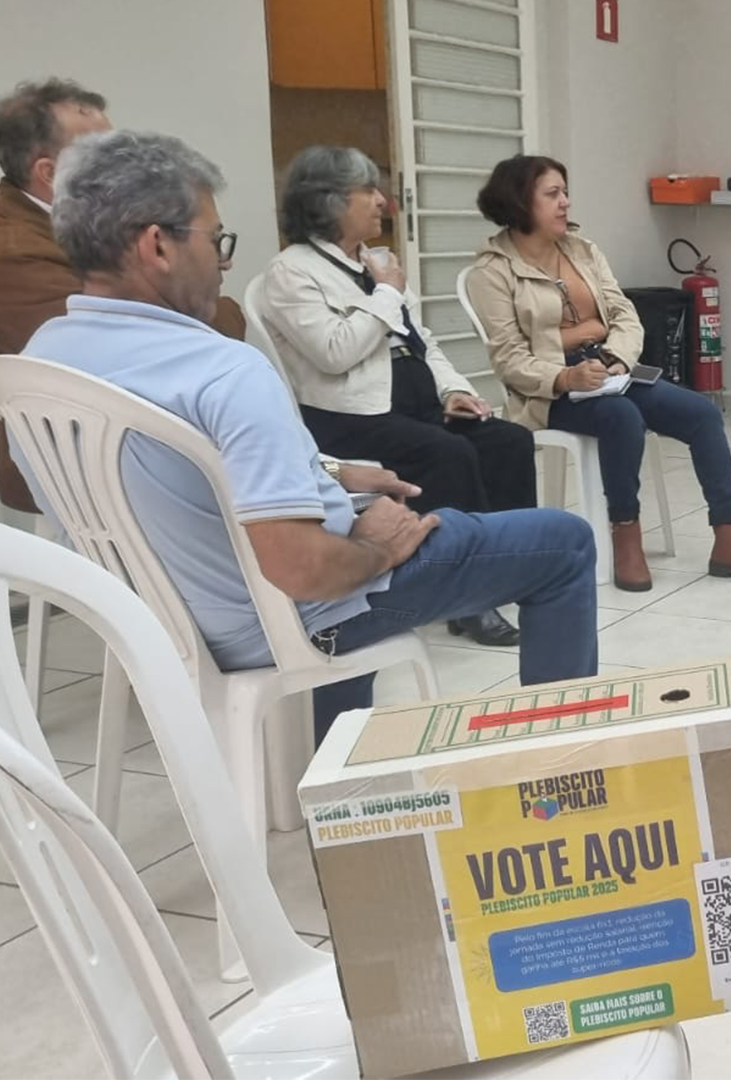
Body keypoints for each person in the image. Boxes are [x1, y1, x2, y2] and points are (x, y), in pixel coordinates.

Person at [9, 130, 599, 740]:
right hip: (285, 618)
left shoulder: (40, 360)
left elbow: (191, 468)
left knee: (412, 488)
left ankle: (334, 778)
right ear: (158, 245)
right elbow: (304, 569)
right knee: (563, 542)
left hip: (168, 624)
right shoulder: (223, 369)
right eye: (216, 240)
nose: (226, 260)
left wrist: (335, 474)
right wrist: (376, 548)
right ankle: (559, 762)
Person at [466, 154, 731, 592]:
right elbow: (509, 359)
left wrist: (616, 357)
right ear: (519, 201)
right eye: (552, 194)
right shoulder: (493, 271)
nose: (565, 203)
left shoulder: (582, 251)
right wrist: (564, 377)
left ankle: (730, 538)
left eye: (565, 192)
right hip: (551, 391)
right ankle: (626, 534)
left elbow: (624, 315)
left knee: (702, 414)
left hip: (609, 369)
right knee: (622, 419)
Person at [258, 145, 534, 647]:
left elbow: (421, 341)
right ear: (329, 201)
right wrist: (385, 292)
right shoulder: (292, 270)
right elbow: (333, 352)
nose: (382, 201)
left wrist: (454, 390)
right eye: (367, 190)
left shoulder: (372, 261)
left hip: (414, 405)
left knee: (507, 442)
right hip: (347, 417)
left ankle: (507, 569)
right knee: (449, 454)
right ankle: (467, 599)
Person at [1, 77, 246, 514]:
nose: (122, 167)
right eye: (100, 155)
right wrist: (211, 303)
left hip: (112, 427)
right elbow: (115, 353)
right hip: (60, 454)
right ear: (50, 173)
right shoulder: (15, 246)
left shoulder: (72, 225)